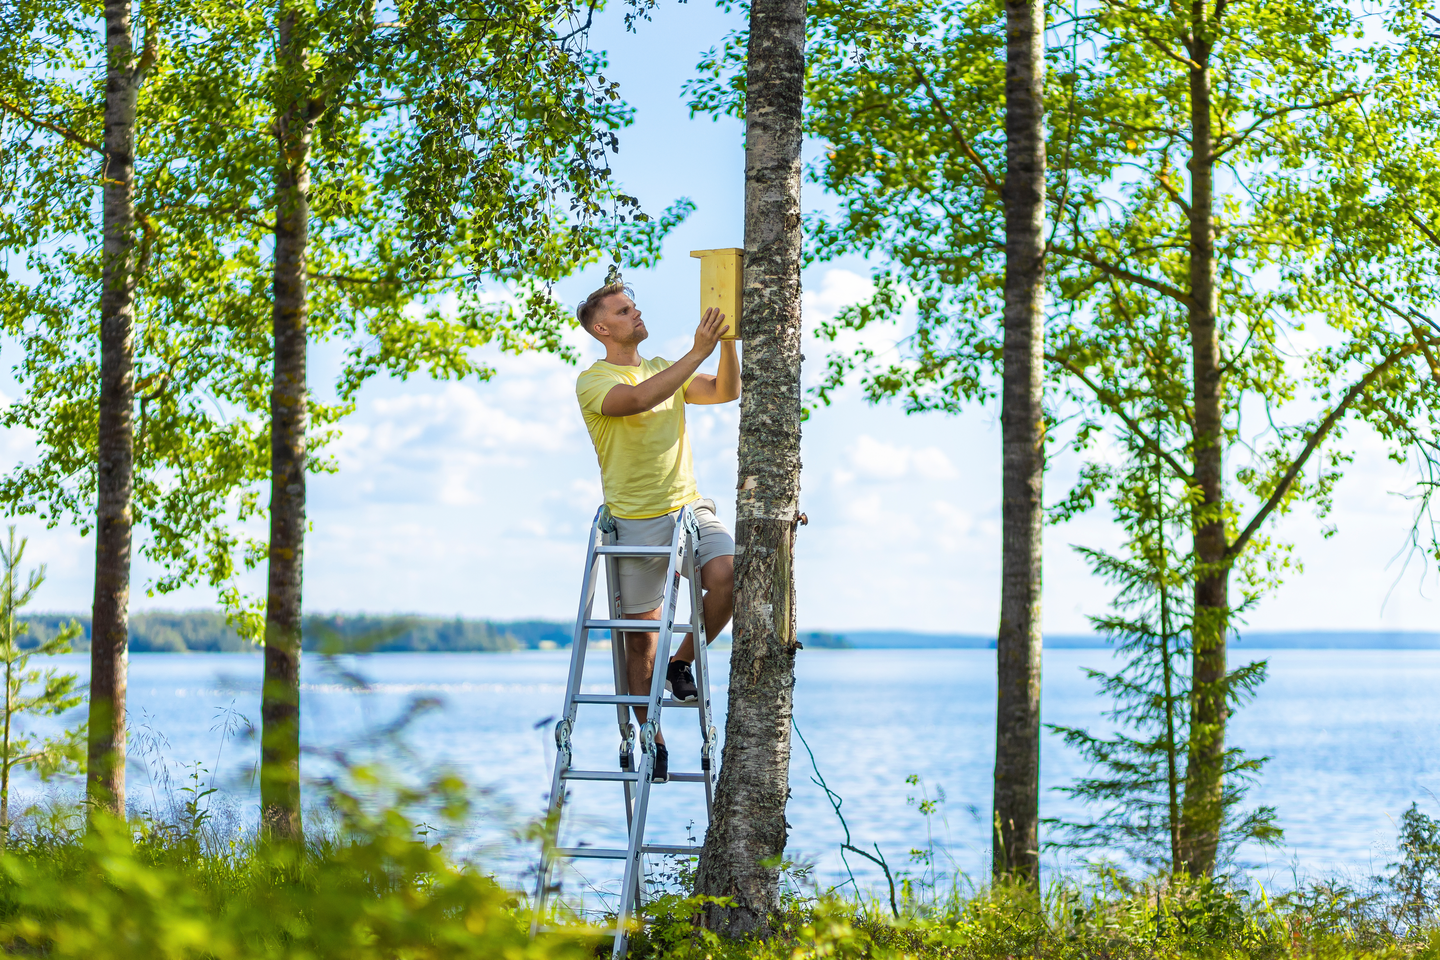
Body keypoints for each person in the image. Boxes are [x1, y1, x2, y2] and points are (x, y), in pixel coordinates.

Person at [574, 281, 740, 783]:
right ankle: (654, 738)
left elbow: (726, 390)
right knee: (639, 642)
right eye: (625, 311)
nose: (637, 313)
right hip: (635, 524)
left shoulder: (665, 366)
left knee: (732, 575)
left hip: (690, 510)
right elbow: (639, 400)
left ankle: (681, 664)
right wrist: (697, 352)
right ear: (602, 328)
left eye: (636, 306)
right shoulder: (594, 380)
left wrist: (726, 342)